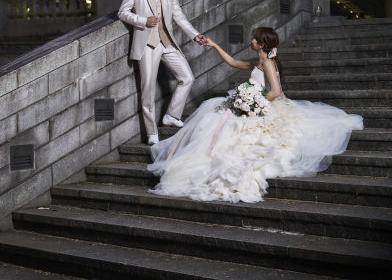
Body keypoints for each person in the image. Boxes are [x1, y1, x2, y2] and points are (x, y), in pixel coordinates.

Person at [148, 27, 364, 203]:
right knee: (211, 113)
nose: (251, 40)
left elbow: (276, 91)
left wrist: (253, 104)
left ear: (261, 44)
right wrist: (214, 45)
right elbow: (233, 62)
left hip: (261, 105)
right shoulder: (257, 61)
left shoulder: (268, 63)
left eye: (254, 38)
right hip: (251, 101)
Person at [118, 0, 207, 146]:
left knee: (187, 77)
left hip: (167, 41)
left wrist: (194, 35)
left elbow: (179, 17)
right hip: (147, 44)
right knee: (147, 88)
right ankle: (151, 133)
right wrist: (142, 20)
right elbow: (122, 13)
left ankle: (171, 115)